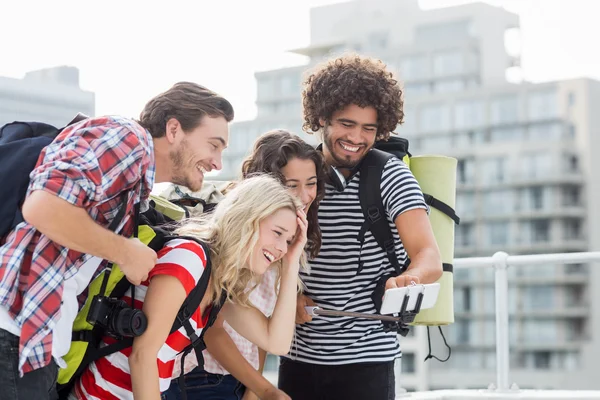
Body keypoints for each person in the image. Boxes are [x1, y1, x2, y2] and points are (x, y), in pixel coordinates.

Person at [0, 82, 234, 400]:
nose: (217, 162)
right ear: (175, 129)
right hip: (16, 335)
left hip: (34, 346)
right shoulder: (128, 138)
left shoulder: (136, 187)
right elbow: (43, 206)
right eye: (213, 145)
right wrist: (125, 251)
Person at [277, 53, 443, 400]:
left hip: (369, 360)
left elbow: (428, 255)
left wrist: (409, 278)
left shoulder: (391, 175)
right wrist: (288, 294)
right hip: (297, 357)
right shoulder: (296, 173)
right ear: (321, 116)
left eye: (369, 128)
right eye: (346, 124)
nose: (357, 137)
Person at [69, 175, 308, 400]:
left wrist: (291, 262)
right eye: (277, 233)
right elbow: (143, 357)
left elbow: (276, 343)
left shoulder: (218, 281)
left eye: (288, 240)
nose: (282, 248)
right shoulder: (189, 258)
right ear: (247, 218)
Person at [161, 129, 325, 400]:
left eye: (311, 183)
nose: (304, 196)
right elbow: (211, 332)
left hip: (237, 380)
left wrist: (255, 388)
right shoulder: (206, 256)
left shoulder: (276, 245)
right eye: (291, 184)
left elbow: (268, 335)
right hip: (200, 377)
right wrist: (264, 388)